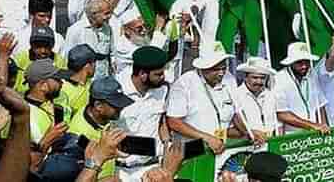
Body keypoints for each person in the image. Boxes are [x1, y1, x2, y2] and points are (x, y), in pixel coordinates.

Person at [166, 42, 251, 155]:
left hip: (222, 146)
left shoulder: (229, 78)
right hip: (193, 148)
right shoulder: (184, 83)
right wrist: (207, 138)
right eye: (216, 69)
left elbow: (236, 112)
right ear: (203, 68)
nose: (221, 73)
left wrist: (248, 132)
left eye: (223, 68)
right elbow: (174, 122)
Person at [118, 46, 170, 180]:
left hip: (152, 169)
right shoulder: (117, 90)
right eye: (158, 74)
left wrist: (165, 150)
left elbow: (162, 123)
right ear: (142, 74)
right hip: (121, 170)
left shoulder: (163, 89)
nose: (163, 77)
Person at [68, 76, 133, 181]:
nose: (121, 107)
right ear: (98, 106)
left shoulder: (100, 117)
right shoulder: (79, 137)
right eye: (115, 105)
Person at [274, 42, 329, 134]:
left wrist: (323, 125)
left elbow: (320, 105)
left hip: (315, 134)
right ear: (291, 62)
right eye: (299, 62)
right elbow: (282, 114)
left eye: (307, 61)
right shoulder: (279, 79)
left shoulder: (312, 74)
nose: (304, 66)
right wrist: (312, 125)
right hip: (292, 136)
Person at [63, 0, 114, 78]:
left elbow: (112, 52)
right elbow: (66, 56)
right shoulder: (76, 29)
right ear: (94, 14)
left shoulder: (108, 28)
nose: (109, 16)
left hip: (104, 76)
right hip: (84, 78)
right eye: (106, 13)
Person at [235, 57, 278, 138]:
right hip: (248, 143)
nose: (259, 81)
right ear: (246, 77)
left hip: (270, 141)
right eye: (255, 77)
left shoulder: (270, 95)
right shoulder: (236, 96)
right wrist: (249, 133)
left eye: (262, 78)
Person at [60, 44, 107, 118]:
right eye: (94, 62)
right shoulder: (64, 92)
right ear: (87, 66)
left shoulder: (90, 84)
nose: (95, 66)